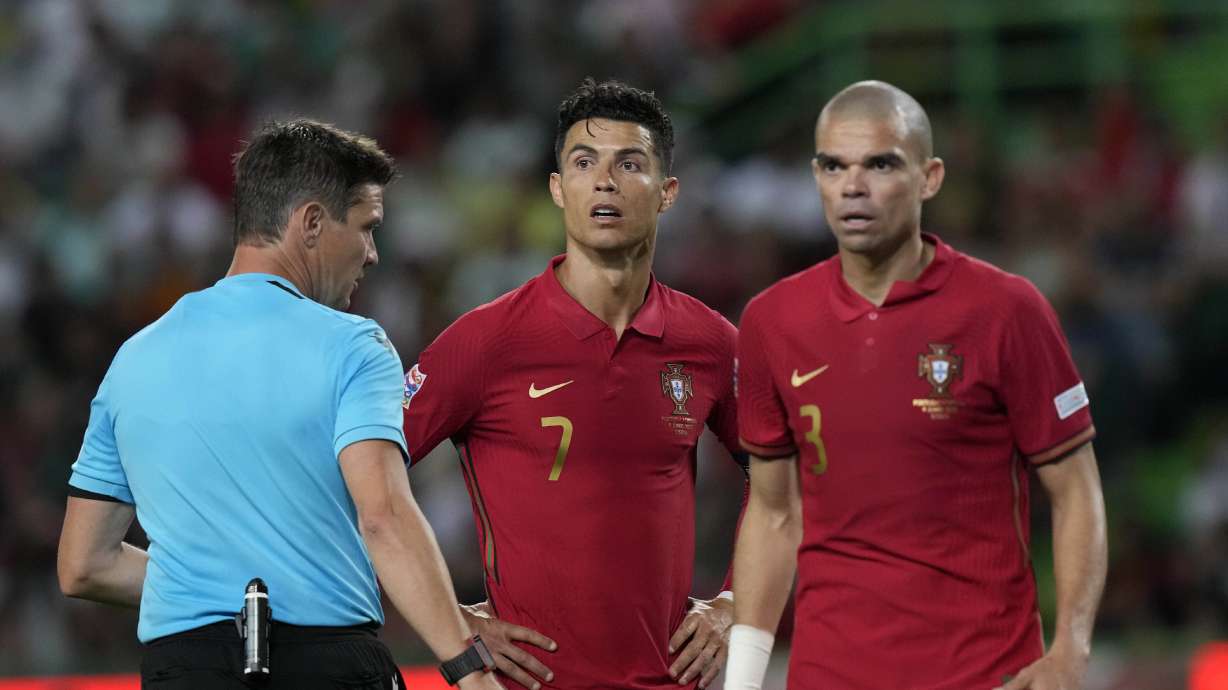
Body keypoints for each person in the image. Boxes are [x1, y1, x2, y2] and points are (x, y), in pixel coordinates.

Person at [57, 119, 501, 690]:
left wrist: (213, 582)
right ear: (311, 223)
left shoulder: (134, 359)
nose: (372, 255)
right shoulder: (353, 347)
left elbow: (82, 564)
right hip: (324, 665)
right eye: (367, 228)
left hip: (182, 672)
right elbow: (383, 518)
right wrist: (468, 669)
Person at [724, 81, 1108, 690]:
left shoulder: (1007, 310)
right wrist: (742, 680)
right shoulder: (772, 321)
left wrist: (1070, 649)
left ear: (930, 177)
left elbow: (1076, 489)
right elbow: (773, 514)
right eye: (834, 166)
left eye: (880, 164)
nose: (853, 186)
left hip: (982, 672)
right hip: (831, 674)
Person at [402, 78, 747, 690]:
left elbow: (787, 483)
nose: (605, 181)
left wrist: (734, 605)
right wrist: (449, 622)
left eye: (629, 164)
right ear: (559, 190)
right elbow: (357, 480)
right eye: (584, 163)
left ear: (668, 193)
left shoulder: (711, 343)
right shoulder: (484, 342)